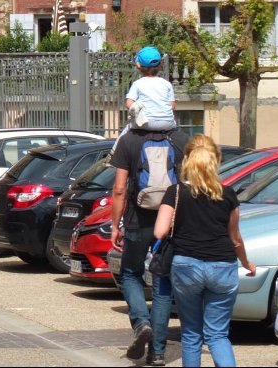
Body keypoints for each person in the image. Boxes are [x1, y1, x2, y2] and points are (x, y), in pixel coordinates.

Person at [111, 48, 189, 366]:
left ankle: (140, 323)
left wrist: (115, 224)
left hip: (137, 217)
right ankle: (158, 353)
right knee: (162, 284)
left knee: (130, 273)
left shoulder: (130, 141)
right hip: (170, 219)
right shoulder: (181, 140)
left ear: (138, 68)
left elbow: (118, 188)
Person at [154, 135, 255, 368]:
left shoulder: (176, 192)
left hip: (186, 265)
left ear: (187, 159)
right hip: (223, 266)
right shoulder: (227, 194)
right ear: (216, 161)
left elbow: (160, 232)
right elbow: (235, 238)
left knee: (191, 334)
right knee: (218, 335)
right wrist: (247, 263)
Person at [124, 46, 176, 132]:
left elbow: (128, 104)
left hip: (146, 124)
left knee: (124, 134)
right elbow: (172, 106)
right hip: (167, 124)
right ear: (160, 65)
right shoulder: (167, 84)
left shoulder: (137, 84)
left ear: (138, 65)